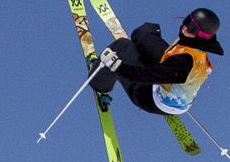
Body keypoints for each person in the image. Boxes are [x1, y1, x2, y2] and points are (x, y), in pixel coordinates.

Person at [93, 8, 222, 117]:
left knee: (122, 46)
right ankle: (136, 50)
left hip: (153, 99)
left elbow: (150, 76)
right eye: (188, 20)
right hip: (168, 77)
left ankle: (100, 86)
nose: (185, 28)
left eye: (192, 28)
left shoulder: (184, 62)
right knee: (144, 32)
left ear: (201, 36)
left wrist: (119, 67)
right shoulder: (194, 44)